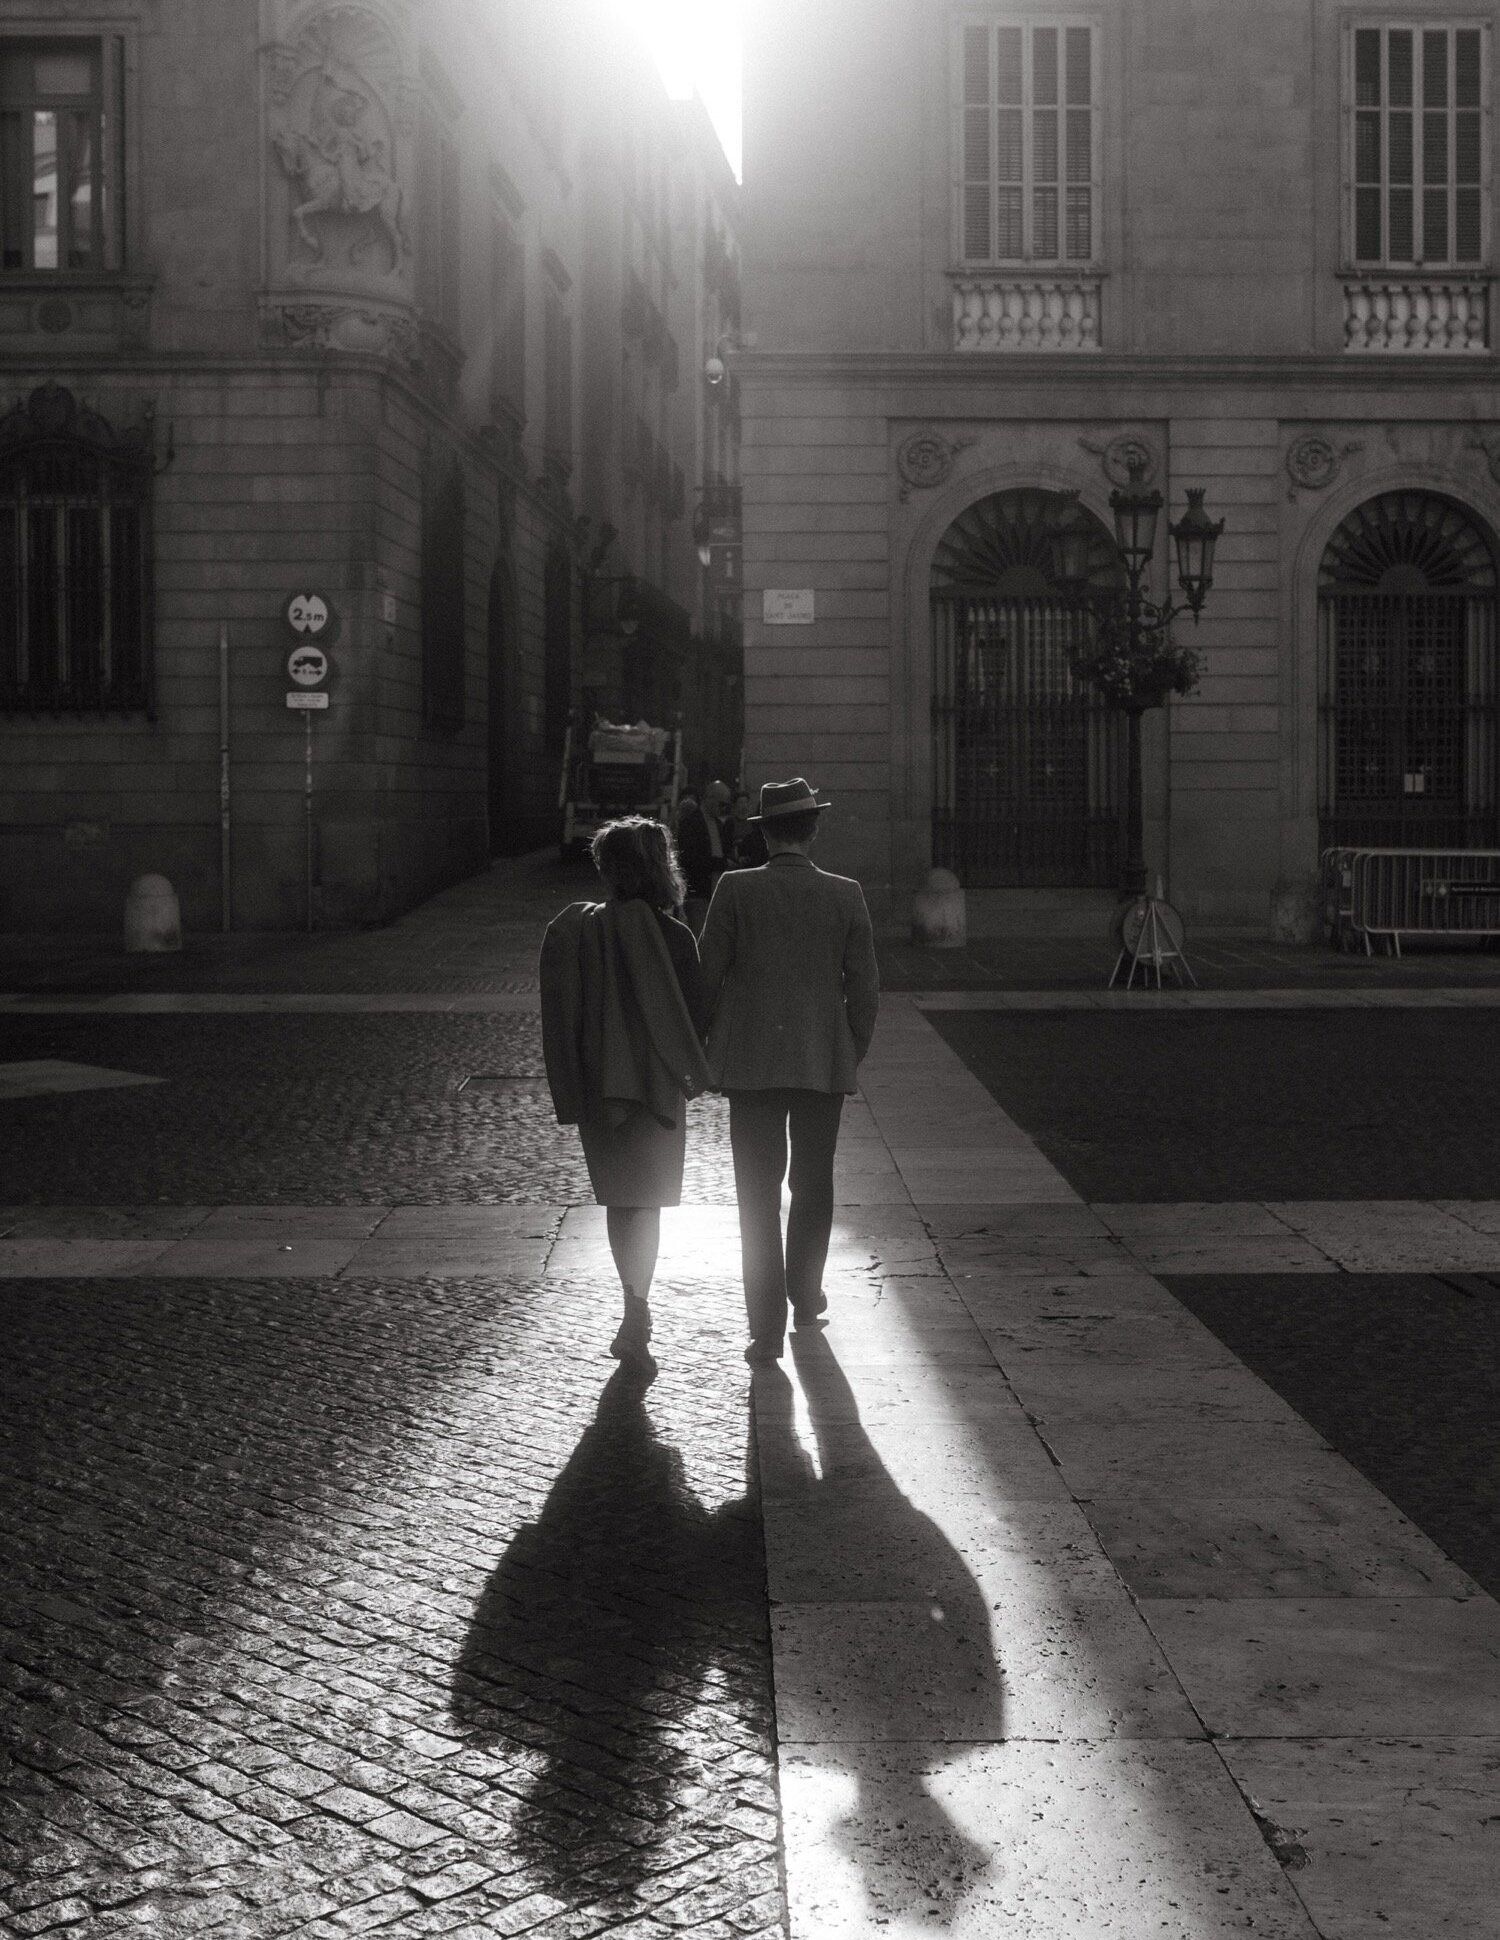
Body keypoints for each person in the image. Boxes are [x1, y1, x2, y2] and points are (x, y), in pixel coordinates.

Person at [698, 778, 880, 1365]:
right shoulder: (846, 894)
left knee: (755, 1194)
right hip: (821, 1059)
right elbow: (866, 989)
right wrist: (849, 1048)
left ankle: (765, 1326)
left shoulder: (734, 889)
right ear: (814, 829)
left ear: (765, 832)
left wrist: (703, 1047)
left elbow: (707, 977)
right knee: (813, 1183)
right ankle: (806, 1295)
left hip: (749, 1062)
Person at [540, 817, 712, 1375]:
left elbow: (561, 1012)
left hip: (600, 1086)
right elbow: (698, 1016)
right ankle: (637, 1309)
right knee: (648, 1202)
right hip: (657, 1088)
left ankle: (632, 1305)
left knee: (620, 1199)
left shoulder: (577, 930)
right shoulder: (673, 936)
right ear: (661, 868)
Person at [677, 779, 734, 931]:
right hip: (698, 893)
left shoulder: (719, 825)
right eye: (721, 803)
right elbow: (689, 858)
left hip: (714, 892)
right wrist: (722, 863)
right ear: (710, 799)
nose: (723, 808)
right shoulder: (691, 823)